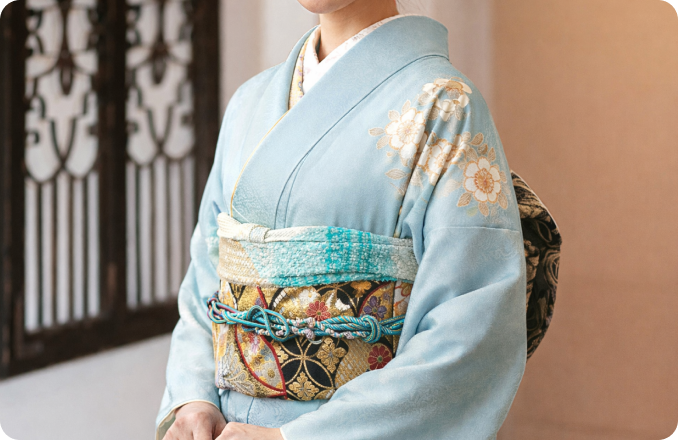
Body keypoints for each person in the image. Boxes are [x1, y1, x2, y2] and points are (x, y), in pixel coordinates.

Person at [157, 1, 531, 439]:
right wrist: (194, 398)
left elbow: (471, 325)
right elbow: (207, 275)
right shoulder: (249, 103)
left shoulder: (446, 107)